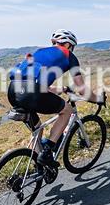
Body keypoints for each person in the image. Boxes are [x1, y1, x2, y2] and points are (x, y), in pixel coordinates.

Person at [8, 29, 104, 177]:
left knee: (37, 130)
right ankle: (47, 152)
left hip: (13, 91)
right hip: (32, 92)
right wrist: (98, 99)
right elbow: (81, 88)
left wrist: (64, 89)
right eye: (72, 47)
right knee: (67, 111)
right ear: (67, 44)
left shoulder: (40, 52)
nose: (72, 50)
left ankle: (40, 167)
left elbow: (41, 86)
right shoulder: (69, 56)